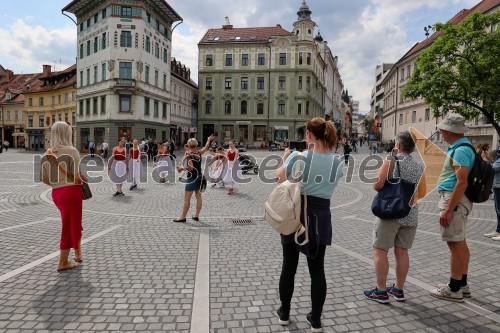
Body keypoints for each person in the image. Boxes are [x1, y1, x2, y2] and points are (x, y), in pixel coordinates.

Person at [275, 117, 343, 332]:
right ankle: (315, 319)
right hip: (320, 216)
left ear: (310, 135)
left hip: (296, 212)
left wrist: (285, 157)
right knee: (317, 270)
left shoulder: (298, 156)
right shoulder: (338, 162)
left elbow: (280, 178)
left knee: (289, 266)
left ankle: (284, 312)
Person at [363, 131, 426, 303]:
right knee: (402, 251)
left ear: (398, 145)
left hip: (390, 212)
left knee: (380, 249)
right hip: (410, 213)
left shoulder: (391, 160)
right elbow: (421, 191)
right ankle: (398, 290)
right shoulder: (420, 166)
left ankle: (381, 291)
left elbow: (378, 184)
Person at [429, 113, 474, 303]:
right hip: (456, 200)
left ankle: (454, 288)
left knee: (455, 244)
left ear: (450, 131)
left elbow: (461, 182)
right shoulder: (461, 147)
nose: (441, 131)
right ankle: (462, 284)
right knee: (460, 242)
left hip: (453, 201)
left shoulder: (461, 150)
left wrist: (448, 210)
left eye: (443, 129)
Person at [40, 121, 83, 271]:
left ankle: (78, 254)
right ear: (67, 133)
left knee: (72, 223)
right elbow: (77, 177)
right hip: (71, 192)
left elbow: (43, 178)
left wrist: (57, 184)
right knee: (69, 226)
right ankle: (63, 262)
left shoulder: (47, 153)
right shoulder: (72, 151)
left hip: (57, 194)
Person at [173, 135, 215, 222]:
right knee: (198, 196)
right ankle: (196, 215)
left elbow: (191, 168)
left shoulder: (189, 155)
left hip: (192, 179)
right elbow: (206, 146)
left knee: (187, 199)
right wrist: (208, 140)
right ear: (196, 145)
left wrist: (181, 169)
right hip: (200, 177)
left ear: (188, 145)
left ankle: (183, 217)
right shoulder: (199, 153)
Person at [485, 146, 500, 240]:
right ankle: (498, 231)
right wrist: (487, 158)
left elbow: (492, 169)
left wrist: (482, 162)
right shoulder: (498, 159)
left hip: (499, 186)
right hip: (497, 185)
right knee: (498, 210)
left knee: (499, 209)